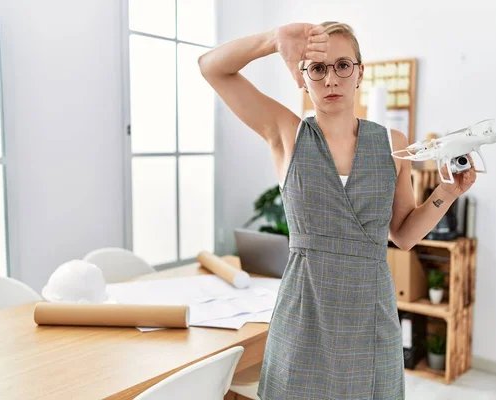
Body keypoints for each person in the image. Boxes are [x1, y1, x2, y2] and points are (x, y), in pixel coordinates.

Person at [199, 21, 475, 400]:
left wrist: (447, 191)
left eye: (343, 65)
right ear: (304, 76)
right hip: (305, 311)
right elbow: (212, 67)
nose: (331, 79)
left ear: (360, 72)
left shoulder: (393, 144)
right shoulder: (287, 133)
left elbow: (404, 235)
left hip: (370, 314)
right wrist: (273, 40)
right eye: (318, 67)